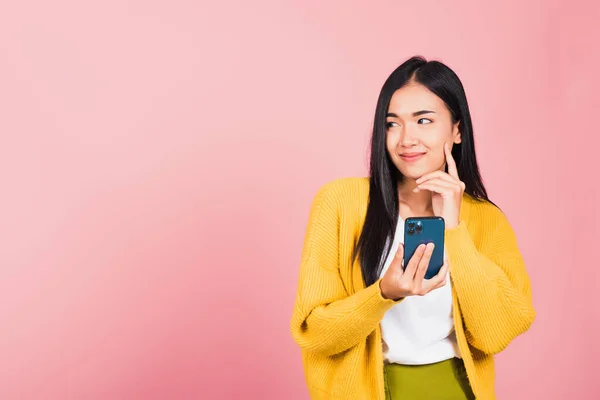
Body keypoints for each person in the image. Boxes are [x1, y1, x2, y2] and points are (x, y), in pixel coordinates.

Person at [290, 55, 536, 399]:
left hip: (454, 389)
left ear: (457, 129)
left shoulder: (486, 220)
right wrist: (383, 294)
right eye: (393, 124)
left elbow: (497, 333)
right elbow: (314, 333)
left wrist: (454, 229)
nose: (406, 138)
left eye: (424, 120)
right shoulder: (340, 202)